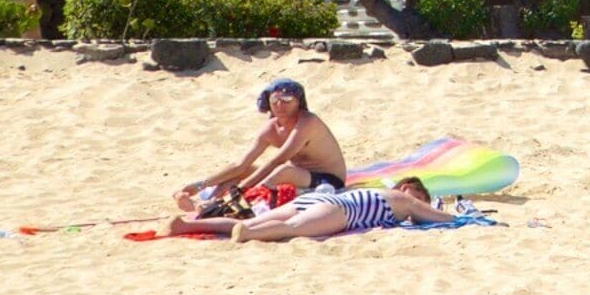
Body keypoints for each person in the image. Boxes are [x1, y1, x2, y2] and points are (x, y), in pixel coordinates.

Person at [174, 78, 348, 224]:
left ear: (298, 102)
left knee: (282, 170)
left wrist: (241, 189)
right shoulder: (271, 128)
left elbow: (278, 161)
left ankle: (225, 203)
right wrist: (200, 185)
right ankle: (208, 202)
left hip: (328, 179)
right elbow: (241, 164)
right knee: (245, 171)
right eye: (275, 101)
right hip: (299, 175)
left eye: (287, 100)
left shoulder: (307, 122)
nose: (280, 105)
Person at [213, 175, 462, 242]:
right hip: (340, 211)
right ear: (406, 186)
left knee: (262, 219)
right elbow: (437, 216)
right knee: (292, 229)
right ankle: (248, 234)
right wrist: (460, 218)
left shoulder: (378, 192)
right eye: (419, 196)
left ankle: (189, 225)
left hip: (319, 200)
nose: (418, 203)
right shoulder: (401, 198)